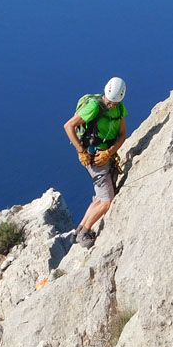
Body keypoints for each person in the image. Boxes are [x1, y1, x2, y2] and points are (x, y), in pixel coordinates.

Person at [63, 76, 128, 247]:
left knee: (100, 198)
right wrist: (80, 150)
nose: (110, 105)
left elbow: (122, 135)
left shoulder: (119, 108)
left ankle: (78, 231)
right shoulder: (93, 107)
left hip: (105, 156)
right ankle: (85, 232)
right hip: (92, 158)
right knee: (106, 202)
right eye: (109, 101)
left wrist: (109, 152)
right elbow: (68, 126)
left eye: (113, 102)